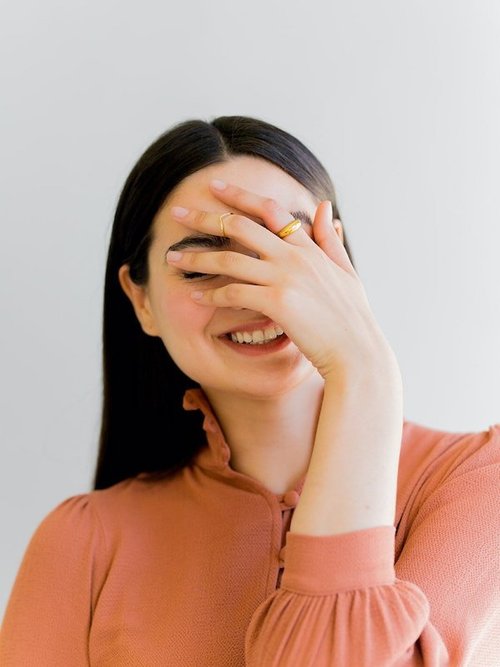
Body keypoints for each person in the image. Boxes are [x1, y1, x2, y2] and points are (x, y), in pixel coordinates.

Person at [0, 115, 498, 667]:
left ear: (340, 271)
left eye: (288, 248)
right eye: (203, 264)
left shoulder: (479, 483)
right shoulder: (82, 542)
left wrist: (366, 373)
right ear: (141, 301)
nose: (259, 294)